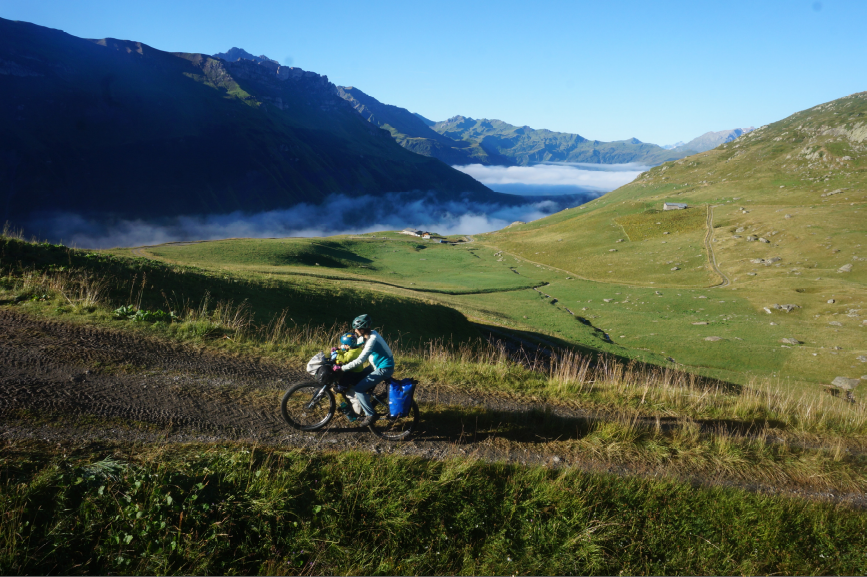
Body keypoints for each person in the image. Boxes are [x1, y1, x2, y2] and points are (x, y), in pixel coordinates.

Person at [333, 314, 394, 426]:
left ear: (363, 328)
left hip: (384, 368)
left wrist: (342, 368)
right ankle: (361, 404)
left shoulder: (372, 339)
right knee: (357, 378)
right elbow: (355, 343)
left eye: (357, 328)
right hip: (375, 366)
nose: (355, 331)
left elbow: (360, 360)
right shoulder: (368, 335)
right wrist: (340, 348)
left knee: (359, 389)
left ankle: (371, 415)